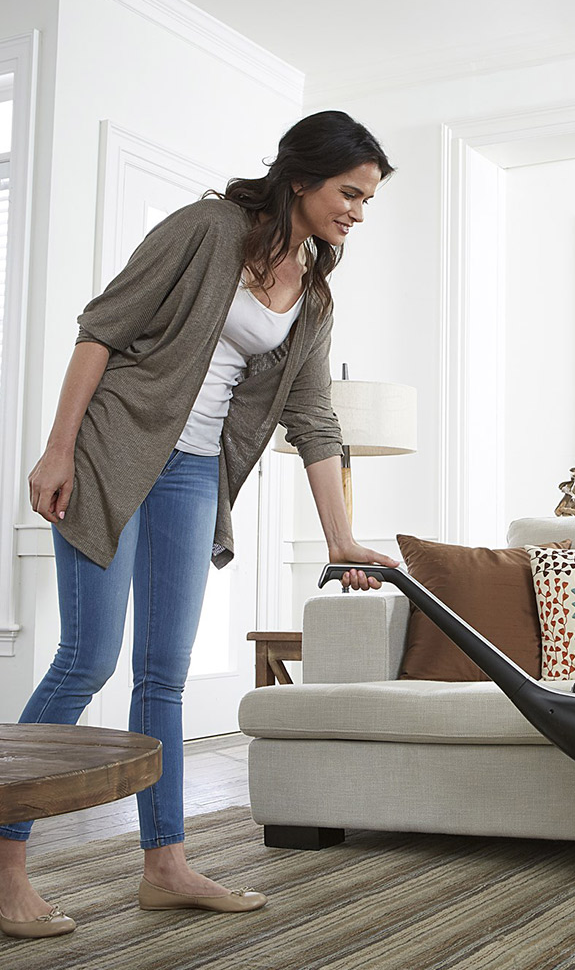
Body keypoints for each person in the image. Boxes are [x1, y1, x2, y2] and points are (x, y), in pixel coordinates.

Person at [0, 111, 399, 939]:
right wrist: (56, 450)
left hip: (192, 474)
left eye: (367, 200)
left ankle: (165, 865)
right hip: (114, 451)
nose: (358, 211)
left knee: (163, 675)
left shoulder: (314, 292)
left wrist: (340, 540)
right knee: (87, 658)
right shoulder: (207, 228)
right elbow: (102, 329)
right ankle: (5, 862)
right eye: (350, 193)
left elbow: (314, 420)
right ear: (303, 178)